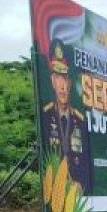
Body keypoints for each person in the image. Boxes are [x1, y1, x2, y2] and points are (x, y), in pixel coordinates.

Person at [41, 40, 91, 192]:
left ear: (70, 83)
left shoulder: (81, 120)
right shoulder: (45, 116)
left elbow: (87, 164)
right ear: (52, 81)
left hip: (77, 192)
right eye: (58, 77)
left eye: (65, 78)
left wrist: (81, 186)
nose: (62, 86)